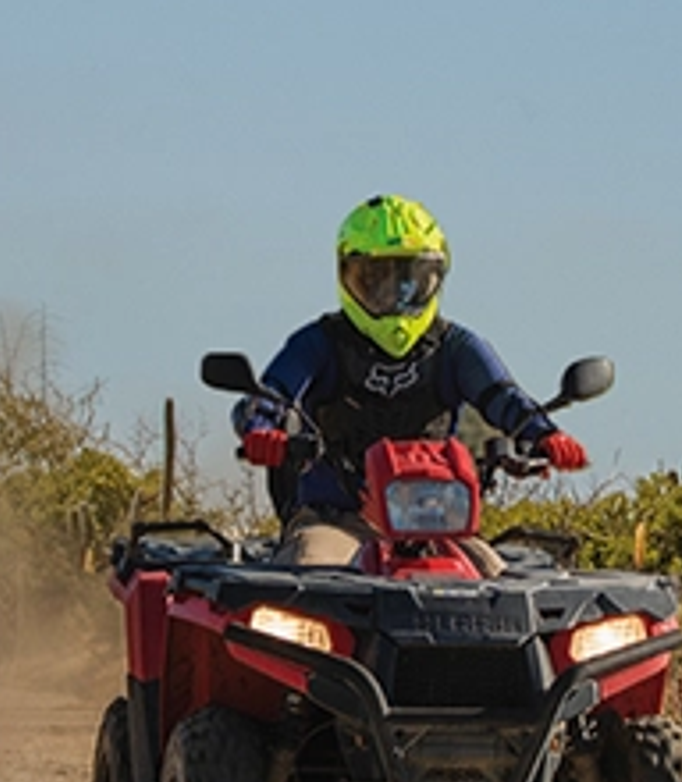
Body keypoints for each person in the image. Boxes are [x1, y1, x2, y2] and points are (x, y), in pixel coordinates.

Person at [238, 194, 585, 568]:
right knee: (311, 571)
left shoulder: (456, 347)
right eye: (374, 279)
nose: (392, 295)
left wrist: (545, 435)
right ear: (346, 276)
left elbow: (503, 396)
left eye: (410, 280)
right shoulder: (318, 343)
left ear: (436, 278)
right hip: (335, 519)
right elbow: (268, 397)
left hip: (438, 526)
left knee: (494, 578)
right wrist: (259, 431)